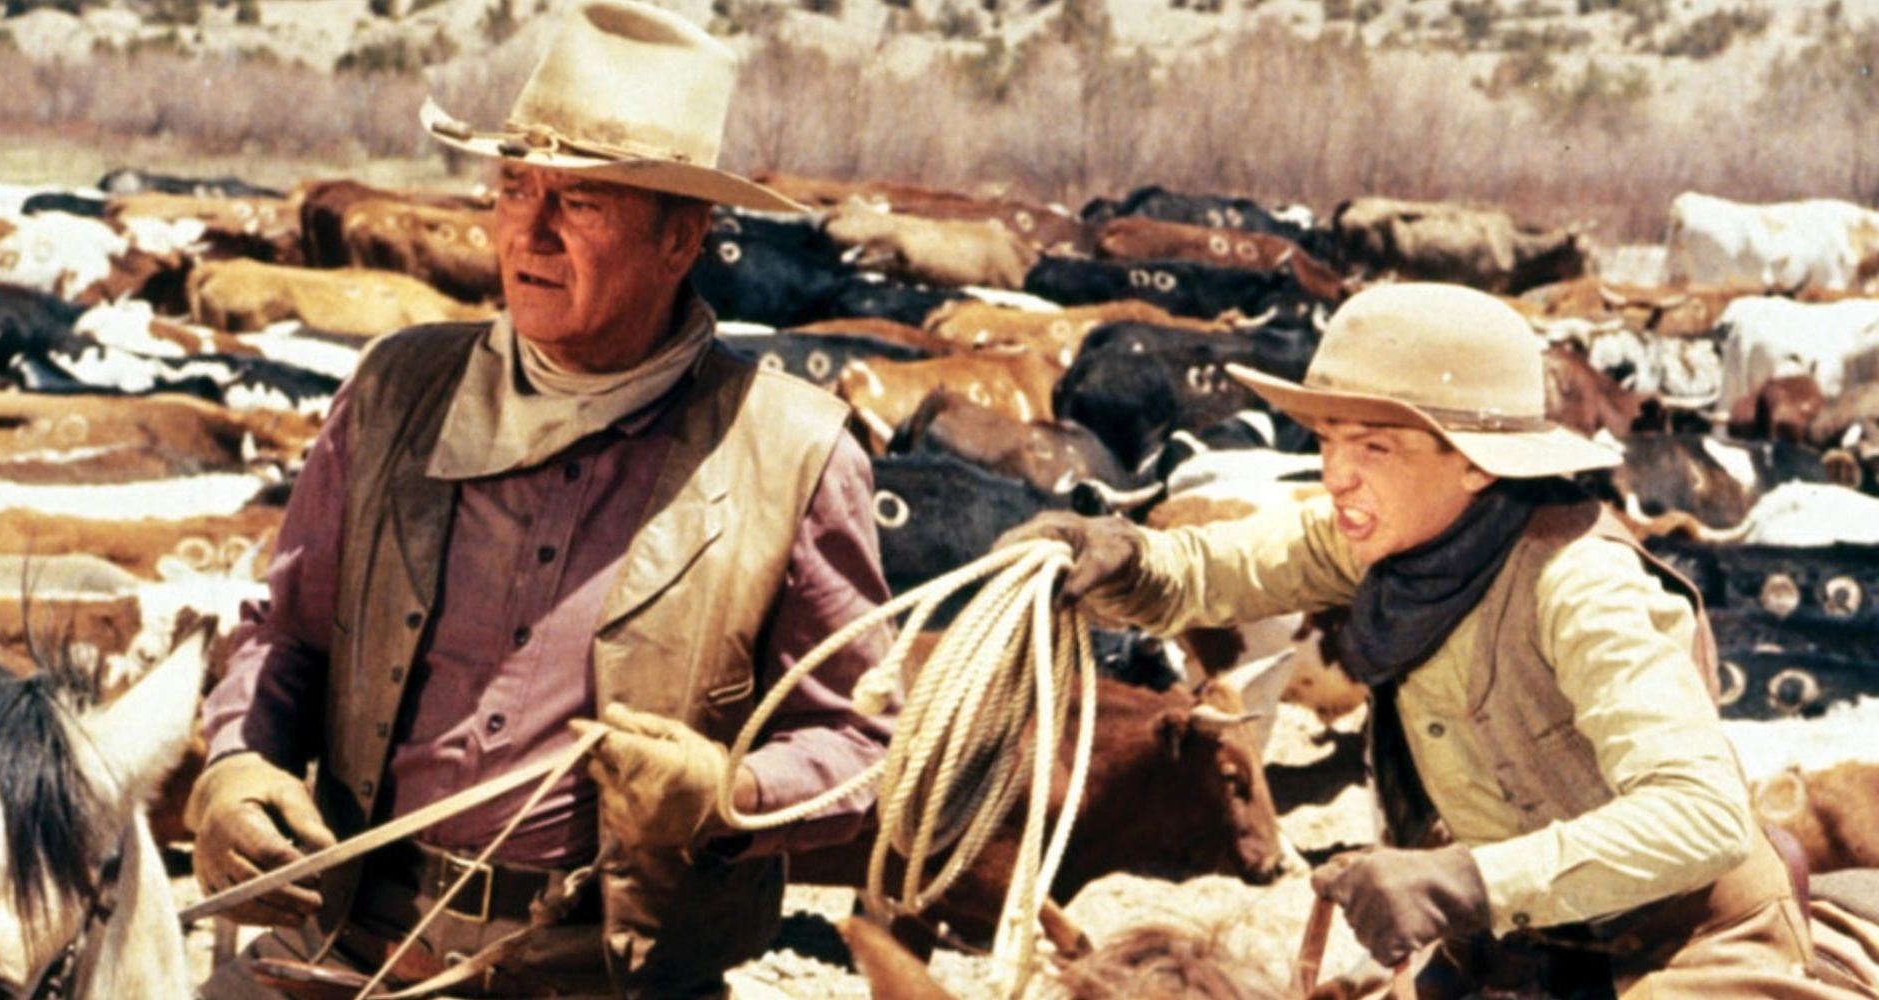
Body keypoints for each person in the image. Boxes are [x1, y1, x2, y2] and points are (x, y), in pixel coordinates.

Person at [188, 3, 893, 996]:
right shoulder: (393, 390)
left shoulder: (792, 450)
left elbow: (861, 743)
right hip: (351, 944)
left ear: (680, 237)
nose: (530, 230)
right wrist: (236, 766)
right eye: (514, 187)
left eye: (583, 203)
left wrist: (727, 795)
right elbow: (285, 634)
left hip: (606, 971)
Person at [1005, 282, 1857, 997]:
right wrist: (1118, 555)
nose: (1337, 472)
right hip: (1519, 938)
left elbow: (1699, 815)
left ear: (1478, 462)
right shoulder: (1398, 536)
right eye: (1330, 439)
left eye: (1375, 443)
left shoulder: (1581, 587)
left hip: (1680, 942)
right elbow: (1216, 568)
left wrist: (1464, 880)